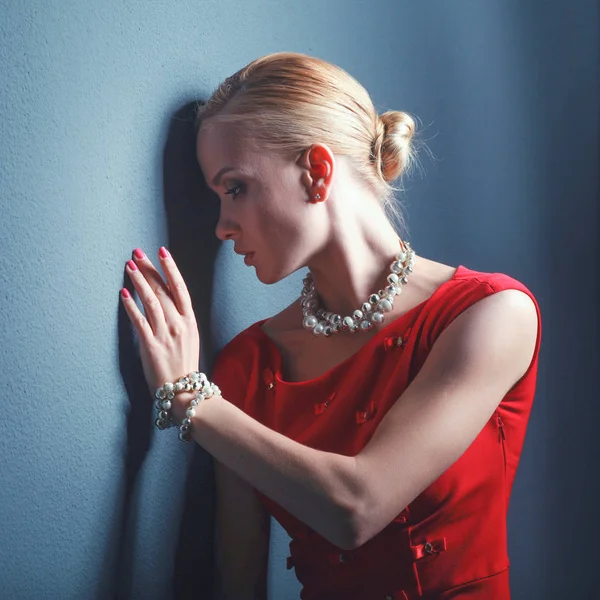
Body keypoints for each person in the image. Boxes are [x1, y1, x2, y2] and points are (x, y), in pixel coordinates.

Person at [120, 52, 542, 599]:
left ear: (316, 172)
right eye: (217, 199)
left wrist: (190, 399)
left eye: (236, 188)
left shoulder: (490, 313)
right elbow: (240, 586)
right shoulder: (248, 366)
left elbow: (357, 507)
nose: (222, 226)